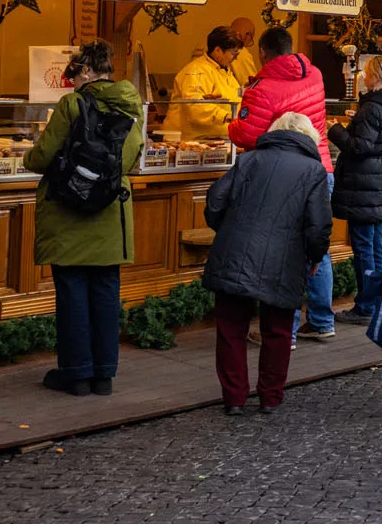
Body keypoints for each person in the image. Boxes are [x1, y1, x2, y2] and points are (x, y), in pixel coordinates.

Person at [25, 41, 143, 396]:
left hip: (68, 212)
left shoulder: (72, 104)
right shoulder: (131, 106)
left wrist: (31, 157)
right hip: (111, 214)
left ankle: (76, 375)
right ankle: (104, 375)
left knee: (73, 292)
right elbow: (131, 156)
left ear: (88, 71)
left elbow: (43, 155)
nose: (73, 81)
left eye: (74, 73)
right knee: (106, 291)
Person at [204, 113, 332, 414]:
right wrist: (315, 256)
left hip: (235, 252)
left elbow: (214, 203)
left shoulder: (249, 160)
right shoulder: (313, 169)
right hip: (284, 259)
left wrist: (229, 231)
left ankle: (234, 398)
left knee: (231, 329)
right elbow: (318, 225)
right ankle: (270, 397)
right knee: (278, 330)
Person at [229, 27, 334, 342]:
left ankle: (282, 332)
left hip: (283, 175)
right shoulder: (314, 74)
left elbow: (248, 134)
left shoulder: (262, 87)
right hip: (321, 167)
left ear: (263, 52)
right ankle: (321, 321)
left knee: (283, 250)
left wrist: (232, 124)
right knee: (318, 249)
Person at [326, 54, 382, 324]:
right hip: (381, 184)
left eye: (366, 73)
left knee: (363, 248)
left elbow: (360, 147)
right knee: (374, 246)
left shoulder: (372, 108)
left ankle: (366, 305)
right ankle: (377, 301)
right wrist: (358, 118)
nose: (363, 77)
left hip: (363, 186)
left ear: (375, 76)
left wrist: (335, 130)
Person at [166, 26, 245, 141]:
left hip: (215, 141)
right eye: (233, 54)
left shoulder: (225, 72)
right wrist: (227, 116)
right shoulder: (196, 71)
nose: (236, 58)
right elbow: (194, 107)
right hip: (190, 143)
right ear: (217, 51)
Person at [228, 17, 260, 89]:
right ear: (247, 35)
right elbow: (251, 85)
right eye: (251, 38)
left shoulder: (219, 48)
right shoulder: (241, 52)